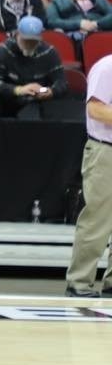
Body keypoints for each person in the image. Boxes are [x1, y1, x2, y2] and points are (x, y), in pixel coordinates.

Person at [66, 52, 112, 297]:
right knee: (97, 219)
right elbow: (95, 109)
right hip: (105, 151)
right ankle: (79, 282)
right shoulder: (106, 68)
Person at [0, 16, 69, 119]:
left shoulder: (49, 52)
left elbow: (62, 82)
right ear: (17, 34)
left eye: (34, 41)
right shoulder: (2, 51)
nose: (29, 44)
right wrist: (19, 90)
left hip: (36, 98)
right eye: (26, 40)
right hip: (7, 96)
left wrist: (50, 91)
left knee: (51, 105)